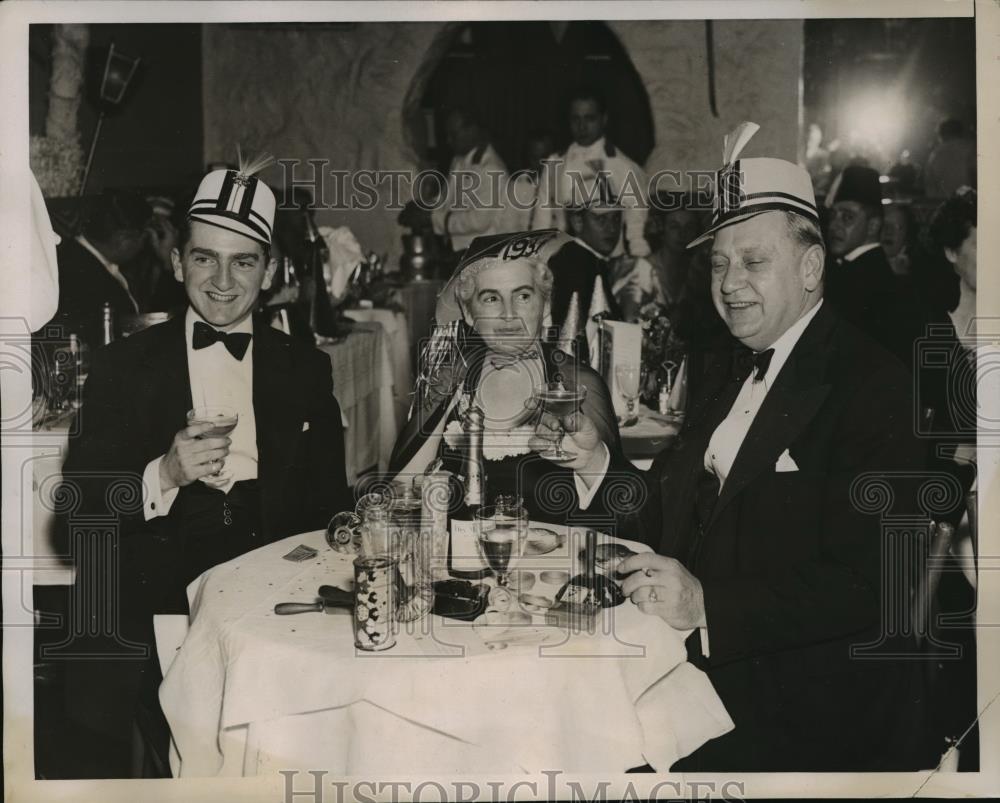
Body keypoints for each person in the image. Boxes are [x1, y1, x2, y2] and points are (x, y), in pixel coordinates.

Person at [586, 122, 929, 770]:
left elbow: (872, 582)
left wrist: (707, 604)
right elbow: (670, 508)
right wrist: (597, 463)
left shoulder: (875, 387)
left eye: (752, 261)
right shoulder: (725, 364)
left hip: (806, 706)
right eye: (717, 262)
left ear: (809, 264)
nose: (729, 282)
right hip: (705, 668)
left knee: (592, 752)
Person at [58, 160, 351, 774]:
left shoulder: (305, 369)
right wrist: (161, 474)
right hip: (154, 587)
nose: (222, 280)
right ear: (175, 263)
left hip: (271, 587)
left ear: (269, 272)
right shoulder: (121, 368)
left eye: (243, 261)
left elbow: (329, 509)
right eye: (204, 258)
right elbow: (72, 519)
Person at [389, 230, 639, 525]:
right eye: (491, 298)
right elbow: (400, 498)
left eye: (522, 296)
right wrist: (446, 386)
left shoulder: (575, 385)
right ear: (469, 314)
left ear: (545, 306)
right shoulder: (451, 380)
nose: (509, 315)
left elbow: (621, 513)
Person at [823, 164, 924, 369]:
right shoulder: (857, 270)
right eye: (833, 215)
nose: (835, 225)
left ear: (873, 226)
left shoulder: (860, 280)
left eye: (848, 217)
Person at [532, 86, 650, 257]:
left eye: (589, 119)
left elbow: (636, 230)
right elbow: (540, 223)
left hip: (609, 262)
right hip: (563, 260)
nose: (582, 126)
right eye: (575, 119)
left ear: (604, 119)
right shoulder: (554, 164)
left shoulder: (623, 166)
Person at [50, 189, 150, 346]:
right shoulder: (80, 273)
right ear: (123, 239)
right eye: (144, 237)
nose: (145, 245)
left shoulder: (81, 258)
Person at [430, 106, 510, 253]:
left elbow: (478, 221)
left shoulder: (492, 169)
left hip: (482, 254)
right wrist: (426, 205)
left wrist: (432, 218)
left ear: (472, 130)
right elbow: (447, 199)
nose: (448, 140)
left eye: (453, 134)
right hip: (456, 251)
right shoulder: (459, 161)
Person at [505, 129, 554, 231]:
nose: (540, 163)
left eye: (544, 157)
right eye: (535, 157)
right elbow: (507, 226)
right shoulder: (517, 185)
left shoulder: (560, 183)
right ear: (528, 156)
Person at [923, 118, 976, 200]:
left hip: (942, 206)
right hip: (968, 204)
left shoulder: (935, 154)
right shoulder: (971, 148)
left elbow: (930, 185)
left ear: (941, 134)